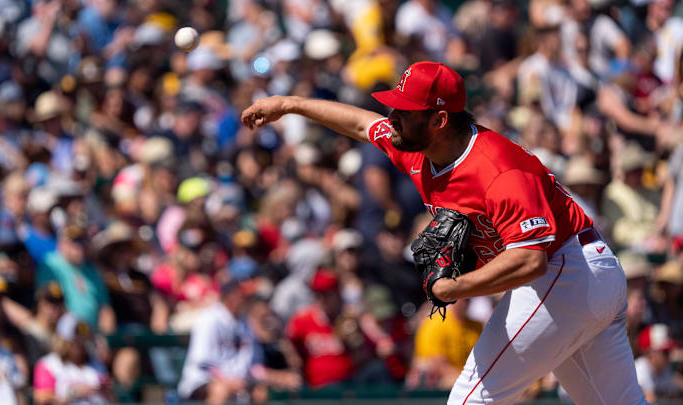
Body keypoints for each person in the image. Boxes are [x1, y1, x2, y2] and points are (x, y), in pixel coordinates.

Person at [242, 61, 648, 404]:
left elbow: (530, 259)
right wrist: (291, 105)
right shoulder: (417, 145)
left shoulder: (498, 169)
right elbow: (364, 125)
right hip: (585, 276)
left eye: (404, 111)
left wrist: (456, 289)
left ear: (438, 120)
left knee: (470, 398)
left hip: (565, 272)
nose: (393, 118)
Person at [177, 280, 256, 404]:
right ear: (231, 297)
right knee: (221, 390)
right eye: (243, 296)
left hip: (236, 381)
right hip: (201, 381)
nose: (247, 300)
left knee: (260, 392)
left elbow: (248, 362)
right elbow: (202, 363)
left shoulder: (245, 323)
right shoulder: (209, 319)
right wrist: (228, 381)